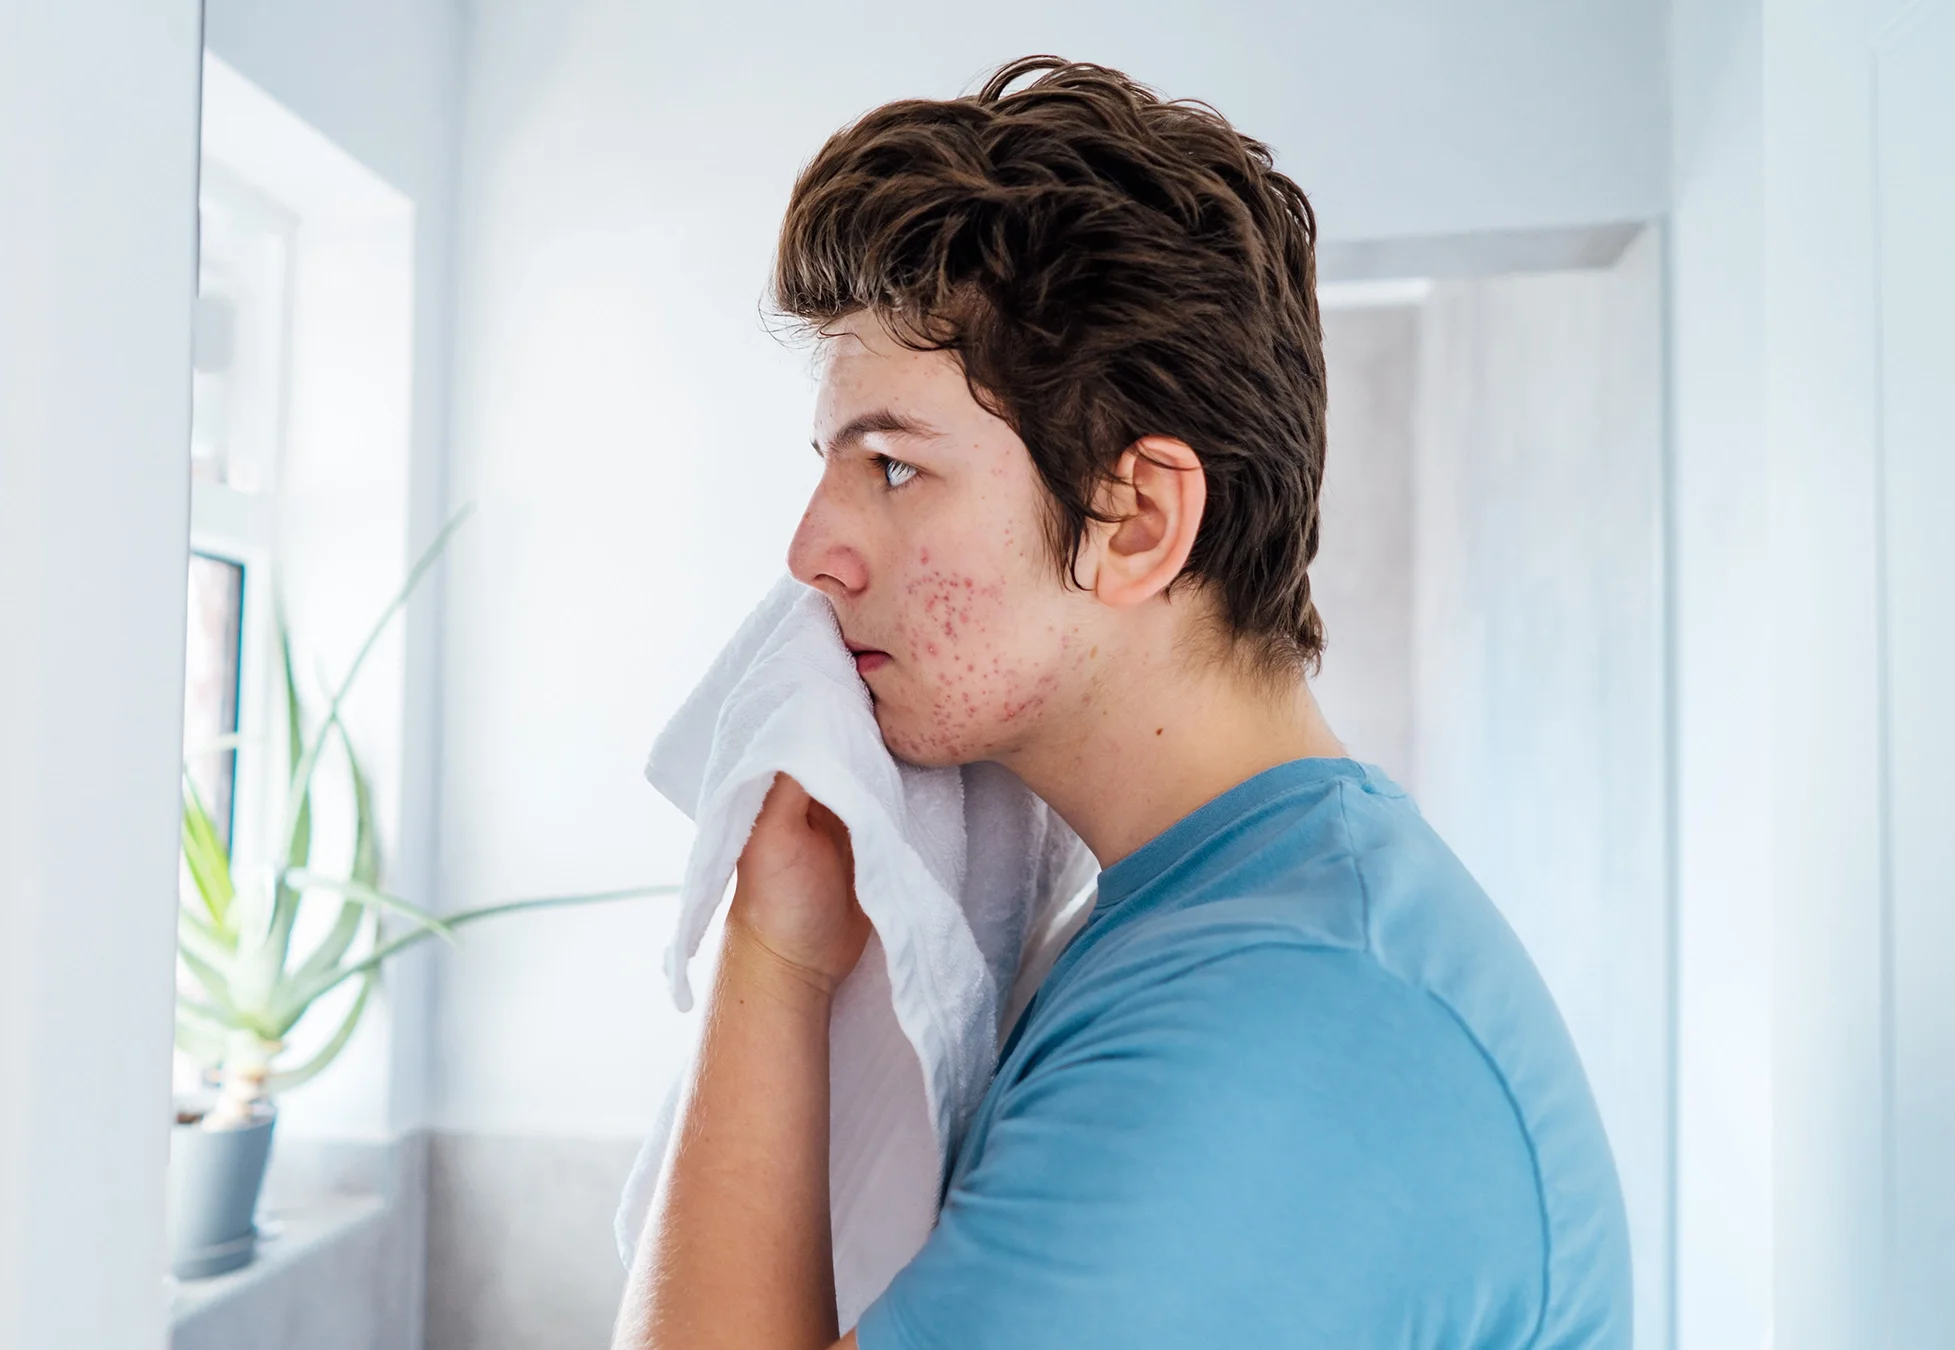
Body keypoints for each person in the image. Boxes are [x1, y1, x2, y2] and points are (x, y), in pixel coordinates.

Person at [613, 56, 1633, 1350]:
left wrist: (774, 943)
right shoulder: (1194, 920)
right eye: (828, 463)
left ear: (1135, 519)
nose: (814, 547)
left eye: (892, 465)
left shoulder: (1281, 1027)